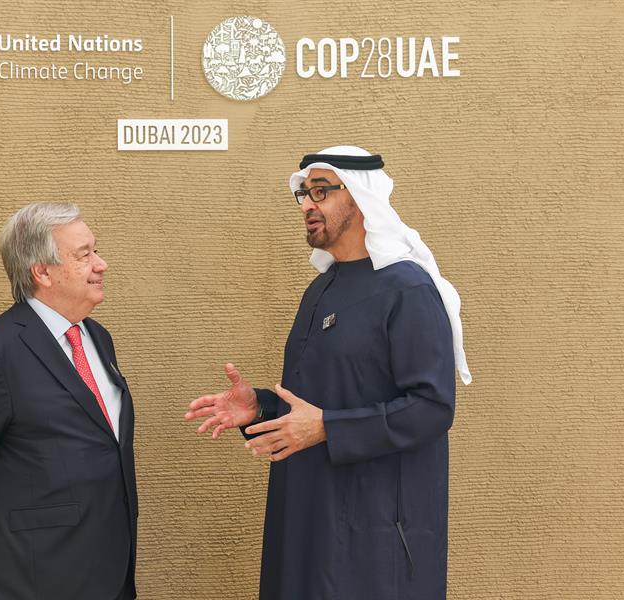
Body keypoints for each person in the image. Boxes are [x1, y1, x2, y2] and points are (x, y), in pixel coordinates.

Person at [185, 146, 471, 600]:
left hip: (374, 536)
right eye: (302, 194)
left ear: (359, 199)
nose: (307, 206)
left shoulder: (408, 289)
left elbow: (431, 409)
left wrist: (327, 428)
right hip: (307, 519)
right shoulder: (321, 288)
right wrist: (261, 406)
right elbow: (323, 400)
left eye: (321, 192)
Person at [0, 202, 137, 600]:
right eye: (85, 255)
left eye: (95, 250)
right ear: (42, 272)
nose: (102, 264)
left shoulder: (98, 338)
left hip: (109, 570)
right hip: (31, 576)